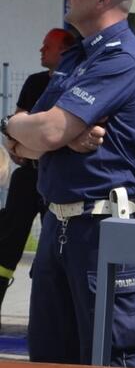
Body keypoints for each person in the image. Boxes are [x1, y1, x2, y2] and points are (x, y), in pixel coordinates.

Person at [2, 0, 135, 368]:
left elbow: (47, 130)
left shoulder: (122, 59)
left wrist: (46, 134)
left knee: (111, 367)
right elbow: (27, 139)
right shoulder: (77, 57)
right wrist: (16, 127)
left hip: (102, 228)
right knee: (50, 364)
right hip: (59, 224)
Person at [0, 27, 74, 314]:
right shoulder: (34, 82)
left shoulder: (74, 86)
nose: (41, 51)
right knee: (8, 240)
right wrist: (18, 145)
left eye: (47, 46)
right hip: (29, 175)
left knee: (52, 247)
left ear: (64, 52)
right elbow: (17, 126)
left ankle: (46, 314)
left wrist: (28, 140)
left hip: (55, 179)